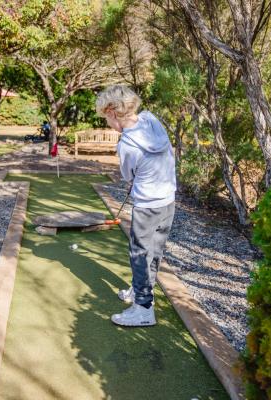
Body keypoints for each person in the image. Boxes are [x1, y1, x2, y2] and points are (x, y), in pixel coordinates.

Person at [96, 85, 176, 327]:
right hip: (168, 200)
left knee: (139, 254)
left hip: (147, 205)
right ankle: (142, 290)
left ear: (112, 112)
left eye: (105, 116)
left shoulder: (127, 145)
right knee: (154, 249)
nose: (106, 122)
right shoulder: (151, 120)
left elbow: (128, 174)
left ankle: (143, 308)